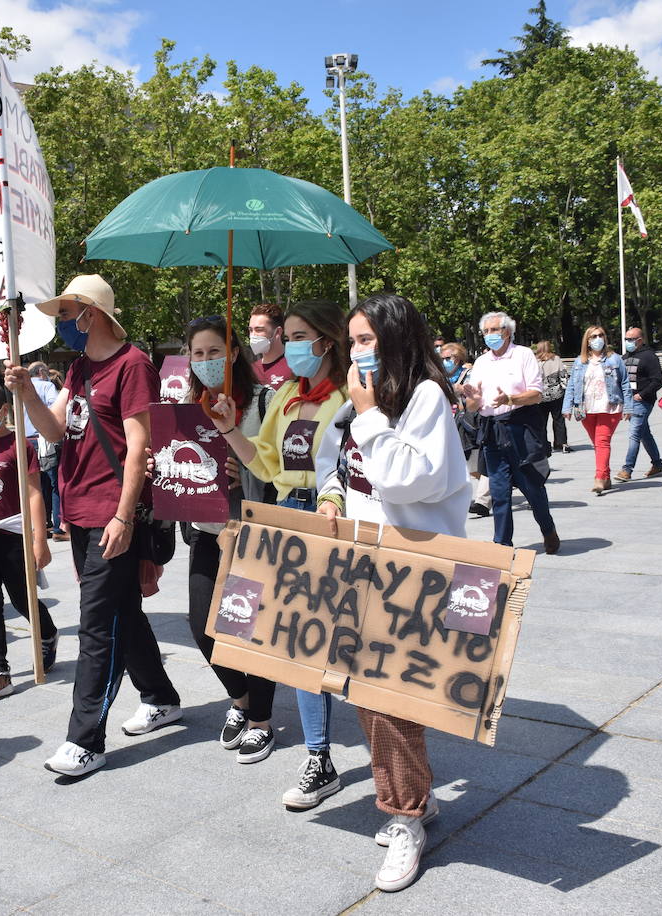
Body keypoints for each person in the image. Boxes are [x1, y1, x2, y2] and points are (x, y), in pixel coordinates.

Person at [315, 294, 469, 893]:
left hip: (418, 574)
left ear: (396, 342)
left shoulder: (426, 398)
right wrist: (330, 493)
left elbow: (408, 476)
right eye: (351, 341)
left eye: (365, 342)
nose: (355, 353)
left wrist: (369, 412)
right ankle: (413, 801)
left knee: (389, 699)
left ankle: (405, 816)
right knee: (373, 694)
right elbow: (338, 461)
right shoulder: (361, 405)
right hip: (365, 567)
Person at [6, 273, 183, 778]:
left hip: (111, 512)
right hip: (79, 511)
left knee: (97, 626)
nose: (62, 325)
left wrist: (125, 515)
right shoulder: (80, 367)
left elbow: (139, 448)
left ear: (92, 313)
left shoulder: (133, 366)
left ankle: (85, 739)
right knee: (121, 610)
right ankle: (160, 696)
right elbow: (55, 429)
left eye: (67, 314)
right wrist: (26, 395)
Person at [213, 299, 349, 808]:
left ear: (325, 342)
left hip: (338, 516)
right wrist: (230, 428)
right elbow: (266, 465)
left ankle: (397, 760)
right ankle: (319, 756)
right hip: (289, 512)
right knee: (301, 644)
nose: (287, 346)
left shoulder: (352, 397)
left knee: (345, 642)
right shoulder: (287, 394)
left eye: (297, 336)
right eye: (286, 336)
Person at [183, 317, 280, 763]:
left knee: (248, 627)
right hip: (206, 532)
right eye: (197, 353)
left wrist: (244, 467)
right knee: (202, 626)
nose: (205, 361)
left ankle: (261, 719)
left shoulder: (265, 401)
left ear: (235, 352)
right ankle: (238, 700)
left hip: (251, 532)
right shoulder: (186, 407)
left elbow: (279, 468)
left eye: (213, 352)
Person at [0, 381, 57, 704]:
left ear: (3, 410)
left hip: (11, 534)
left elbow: (34, 493)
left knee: (22, 598)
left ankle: (47, 634)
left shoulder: (20, 445)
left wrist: (39, 539)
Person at [461, 312, 560, 554]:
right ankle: (502, 544)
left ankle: (548, 529)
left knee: (532, 486)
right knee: (499, 490)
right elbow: (474, 404)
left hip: (520, 427)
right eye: (485, 332)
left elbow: (537, 393)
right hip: (492, 430)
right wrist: (471, 401)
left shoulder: (523, 355)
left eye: (494, 330)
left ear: (507, 331)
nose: (489, 336)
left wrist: (511, 398)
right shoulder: (482, 362)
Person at [561, 326, 632, 496]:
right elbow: (571, 385)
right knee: (598, 445)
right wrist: (567, 407)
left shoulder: (614, 359)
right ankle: (606, 477)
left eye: (601, 335)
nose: (598, 339)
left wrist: (628, 407)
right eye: (593, 336)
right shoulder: (580, 361)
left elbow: (625, 383)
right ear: (587, 340)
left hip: (610, 407)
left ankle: (599, 478)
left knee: (602, 442)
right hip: (586, 408)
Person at [443, 342, 490, 518]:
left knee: (474, 462)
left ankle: (483, 500)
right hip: (449, 424)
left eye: (448, 358)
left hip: (467, 425)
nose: (445, 362)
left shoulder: (469, 374)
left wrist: (461, 390)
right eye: (442, 359)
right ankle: (496, 487)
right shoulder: (441, 377)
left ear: (458, 358)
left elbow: (476, 397)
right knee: (471, 466)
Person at [618, 326, 662, 481]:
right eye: (626, 339)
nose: (627, 342)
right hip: (629, 402)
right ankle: (657, 464)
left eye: (630, 339)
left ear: (640, 340)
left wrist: (642, 395)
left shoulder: (649, 356)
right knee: (645, 434)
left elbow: (658, 380)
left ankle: (627, 469)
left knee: (634, 434)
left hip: (642, 402)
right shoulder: (624, 358)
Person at [25, 361, 63, 539]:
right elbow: (56, 408)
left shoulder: (23, 387)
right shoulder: (47, 386)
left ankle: (42, 525)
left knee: (37, 487)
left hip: (27, 441)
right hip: (44, 440)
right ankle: (57, 527)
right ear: (41, 372)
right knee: (54, 484)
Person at [533, 341, 569, 454]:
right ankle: (561, 442)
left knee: (541, 422)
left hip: (540, 396)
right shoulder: (556, 359)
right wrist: (565, 389)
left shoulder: (534, 361)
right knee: (558, 419)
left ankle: (543, 444)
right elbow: (563, 376)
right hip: (556, 395)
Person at [248, 302, 293, 389]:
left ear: (278, 332)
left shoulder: (295, 366)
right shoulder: (250, 371)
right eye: (250, 330)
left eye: (259, 330)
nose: (253, 335)